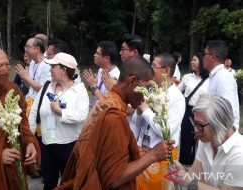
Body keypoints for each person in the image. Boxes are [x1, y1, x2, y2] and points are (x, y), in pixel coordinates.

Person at [54, 56, 174, 190]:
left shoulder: (106, 101)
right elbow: (113, 179)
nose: (146, 95)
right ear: (133, 81)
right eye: (146, 88)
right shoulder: (114, 116)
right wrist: (153, 155)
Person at [29, 52, 89, 190]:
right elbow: (34, 112)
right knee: (49, 183)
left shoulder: (79, 90)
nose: (50, 70)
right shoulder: (47, 86)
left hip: (68, 146)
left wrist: (60, 111)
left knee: (69, 183)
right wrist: (30, 138)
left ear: (64, 69)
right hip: (46, 144)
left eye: (53, 67)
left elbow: (81, 116)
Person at [133, 53, 185, 190]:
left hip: (161, 157)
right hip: (142, 151)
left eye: (154, 66)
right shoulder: (150, 91)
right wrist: (139, 112)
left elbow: (165, 131)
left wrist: (145, 109)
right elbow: (137, 124)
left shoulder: (177, 98)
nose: (150, 69)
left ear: (166, 70)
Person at [169, 95, 243, 189]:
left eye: (199, 125)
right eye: (194, 123)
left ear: (218, 125)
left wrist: (191, 183)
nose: (195, 130)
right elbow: (196, 172)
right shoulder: (206, 140)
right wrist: (182, 173)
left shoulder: (239, 154)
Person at [0, 46, 41, 189]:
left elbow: (23, 122)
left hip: (13, 161)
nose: (6, 69)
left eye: (7, 64)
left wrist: (30, 142)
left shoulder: (13, 90)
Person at [178, 52, 209, 165]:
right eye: (192, 60)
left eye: (194, 60)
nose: (192, 62)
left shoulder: (209, 80)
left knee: (200, 139)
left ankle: (197, 164)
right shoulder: (187, 77)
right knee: (186, 138)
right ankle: (184, 164)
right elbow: (177, 93)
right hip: (188, 111)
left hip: (203, 113)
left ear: (201, 62)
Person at [203, 40, 239, 129]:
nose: (203, 58)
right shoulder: (215, 76)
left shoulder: (223, 78)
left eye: (205, 54)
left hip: (223, 136)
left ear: (213, 57)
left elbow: (227, 112)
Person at [83, 40, 120, 106]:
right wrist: (91, 84)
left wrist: (93, 86)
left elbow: (106, 103)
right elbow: (96, 94)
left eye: (97, 53)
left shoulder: (116, 77)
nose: (94, 55)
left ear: (106, 58)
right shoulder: (101, 70)